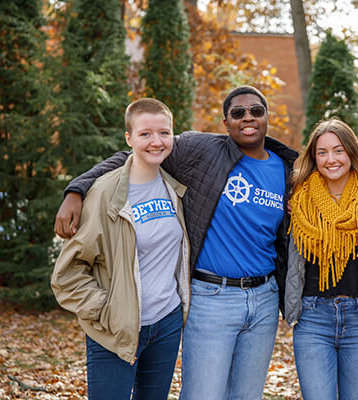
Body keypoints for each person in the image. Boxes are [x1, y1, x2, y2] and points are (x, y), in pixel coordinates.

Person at [54, 86, 298, 400]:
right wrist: (76, 190)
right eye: (238, 112)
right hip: (213, 296)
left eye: (256, 111)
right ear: (225, 122)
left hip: (263, 299)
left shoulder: (288, 168)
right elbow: (133, 156)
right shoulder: (202, 150)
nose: (247, 118)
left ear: (267, 117)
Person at [51, 98, 190, 400]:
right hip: (115, 328)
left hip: (165, 324)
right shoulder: (103, 193)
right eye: (145, 134)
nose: (157, 142)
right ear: (128, 138)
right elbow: (67, 274)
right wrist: (106, 310)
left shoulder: (175, 189)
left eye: (164, 133)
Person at [285, 118, 358, 400]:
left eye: (339, 150)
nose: (331, 159)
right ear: (313, 157)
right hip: (313, 317)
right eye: (322, 152)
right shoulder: (298, 199)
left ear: (352, 152)